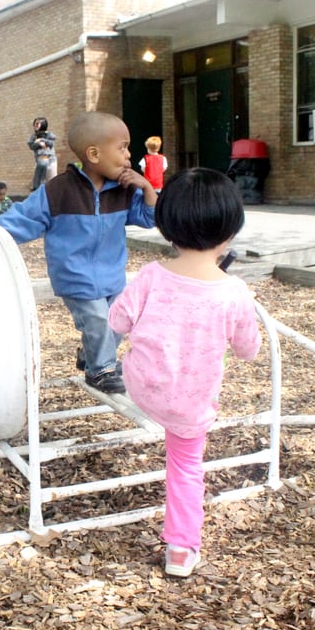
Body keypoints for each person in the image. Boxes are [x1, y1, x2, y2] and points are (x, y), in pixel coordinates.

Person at [108, 167, 262, 578]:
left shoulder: (151, 276)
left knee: (150, 368)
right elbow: (249, 350)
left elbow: (117, 322)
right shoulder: (233, 292)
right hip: (189, 404)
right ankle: (180, 548)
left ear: (166, 228)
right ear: (230, 232)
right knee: (185, 465)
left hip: (143, 386)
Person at [0, 111, 158, 393]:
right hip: (76, 277)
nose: (128, 156)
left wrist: (146, 187)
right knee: (97, 319)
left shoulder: (123, 190)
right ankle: (100, 370)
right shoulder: (57, 191)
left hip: (112, 275)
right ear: (94, 154)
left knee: (122, 317)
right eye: (122, 148)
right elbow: (21, 220)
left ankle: (91, 356)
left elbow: (149, 218)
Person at [28, 117, 58, 191]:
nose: (35, 125)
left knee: (51, 182)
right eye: (34, 124)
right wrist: (40, 144)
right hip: (40, 160)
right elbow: (31, 145)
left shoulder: (49, 134)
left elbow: (50, 143)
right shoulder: (33, 137)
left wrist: (41, 140)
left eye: (37, 124)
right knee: (39, 181)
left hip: (50, 161)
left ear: (43, 124)